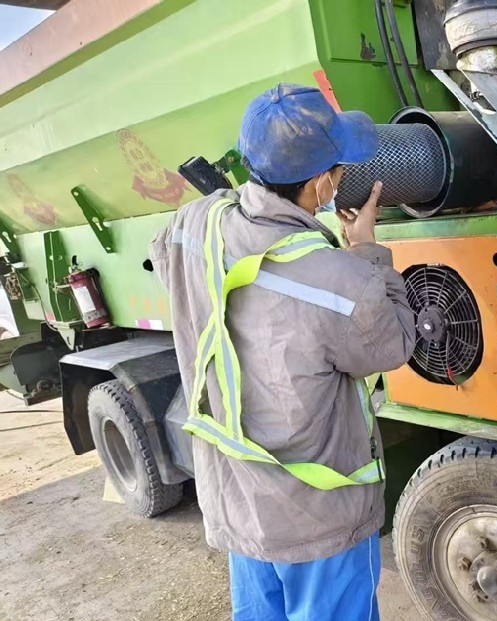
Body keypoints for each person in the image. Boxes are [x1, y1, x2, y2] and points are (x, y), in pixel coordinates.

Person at [150, 83, 415, 621]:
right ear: (321, 185)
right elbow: (394, 342)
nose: (343, 178)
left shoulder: (194, 225)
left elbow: (164, 252)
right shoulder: (341, 280)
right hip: (318, 520)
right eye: (341, 170)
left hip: (242, 502)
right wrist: (366, 252)